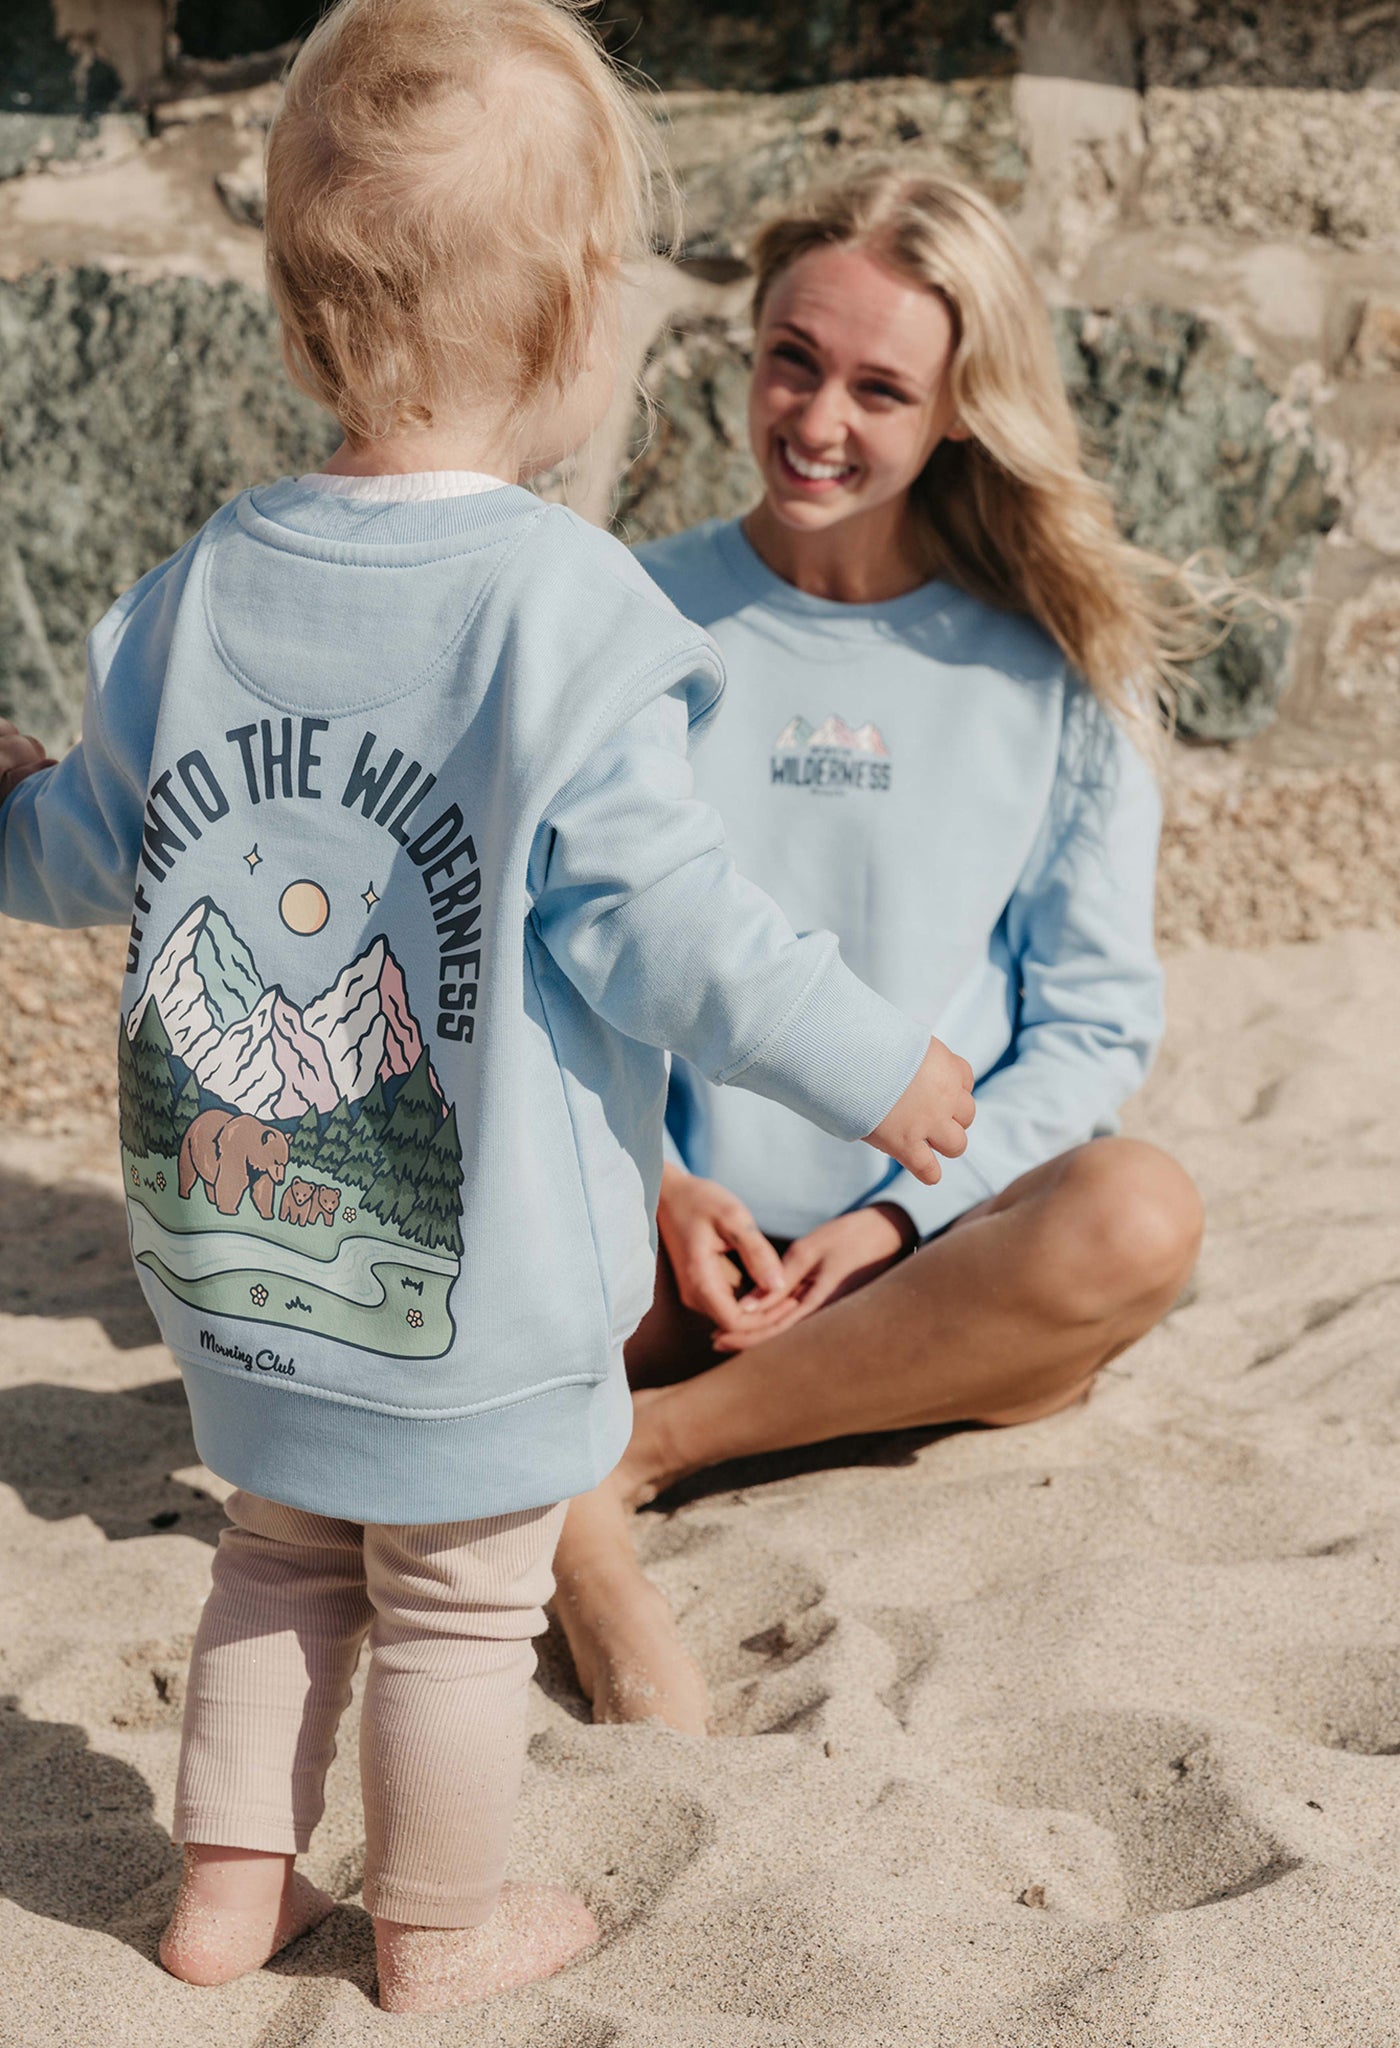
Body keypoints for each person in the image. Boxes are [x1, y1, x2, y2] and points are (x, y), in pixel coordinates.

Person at [0, 20, 976, 2015]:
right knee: (452, 1597)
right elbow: (671, 931)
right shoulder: (565, 604)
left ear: (293, 312)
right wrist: (880, 1064)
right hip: (473, 1284)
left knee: (274, 1552)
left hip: (237, 1246)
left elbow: (79, 850)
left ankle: (223, 1894)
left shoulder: (192, 590)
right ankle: (438, 1925)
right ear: (572, 328)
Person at [552, 167, 1208, 1737]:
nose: (817, 419)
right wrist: (659, 1186)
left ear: (963, 411)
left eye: (880, 386)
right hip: (644, 1252)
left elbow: (1095, 1030)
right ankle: (667, 1422)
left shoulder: (1053, 671)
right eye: (792, 357)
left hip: (915, 1258)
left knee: (1141, 1214)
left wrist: (909, 1218)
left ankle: (635, 1457)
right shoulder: (625, 615)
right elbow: (539, 952)